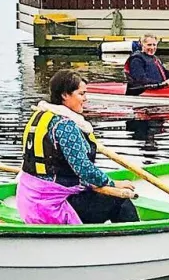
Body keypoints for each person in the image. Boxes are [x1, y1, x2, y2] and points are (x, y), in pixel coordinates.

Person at [16, 69, 140, 225]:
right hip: (52, 207)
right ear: (65, 95)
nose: (85, 99)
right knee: (120, 202)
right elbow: (85, 170)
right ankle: (134, 242)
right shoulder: (66, 125)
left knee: (95, 195)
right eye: (81, 94)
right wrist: (112, 183)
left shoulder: (40, 116)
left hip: (29, 201)